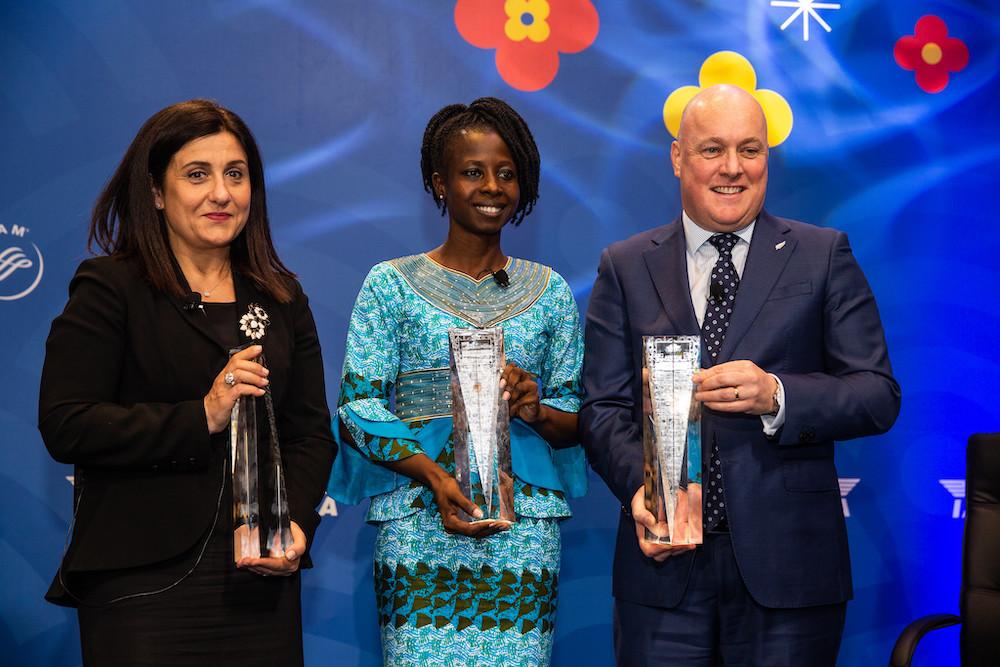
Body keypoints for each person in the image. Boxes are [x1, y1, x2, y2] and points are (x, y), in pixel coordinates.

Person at [579, 84, 900, 665]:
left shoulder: (823, 254)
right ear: (679, 157)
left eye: (750, 150)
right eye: (712, 150)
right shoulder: (625, 266)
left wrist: (777, 395)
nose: (733, 168)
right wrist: (643, 488)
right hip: (664, 575)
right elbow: (602, 408)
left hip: (791, 574)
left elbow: (877, 394)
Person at [38, 99, 337, 665]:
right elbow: (67, 424)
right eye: (197, 175)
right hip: (141, 583)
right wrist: (201, 415)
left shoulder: (282, 297)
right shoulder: (111, 286)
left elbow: (310, 434)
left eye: (236, 174)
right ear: (155, 191)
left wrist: (294, 527)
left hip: (261, 583)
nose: (221, 194)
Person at [326, 97, 586, 666]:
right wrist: (435, 478)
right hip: (419, 520)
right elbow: (356, 408)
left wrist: (533, 409)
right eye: (473, 172)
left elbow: (576, 423)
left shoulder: (552, 293)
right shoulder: (389, 285)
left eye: (506, 173)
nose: (492, 186)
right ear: (439, 183)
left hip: (522, 534)